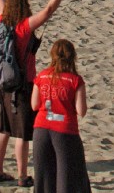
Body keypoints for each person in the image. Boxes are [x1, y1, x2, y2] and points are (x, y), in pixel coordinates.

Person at [0, 0, 77, 187]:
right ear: (24, 6)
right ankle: (22, 175)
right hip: (22, 84)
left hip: (3, 83)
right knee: (22, 133)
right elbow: (48, 10)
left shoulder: (2, 20)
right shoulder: (22, 28)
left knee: (3, 129)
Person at [31, 39, 90, 193]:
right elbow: (81, 111)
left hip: (41, 127)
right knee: (66, 177)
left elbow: (34, 105)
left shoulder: (42, 76)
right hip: (65, 130)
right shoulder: (75, 80)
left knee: (43, 177)